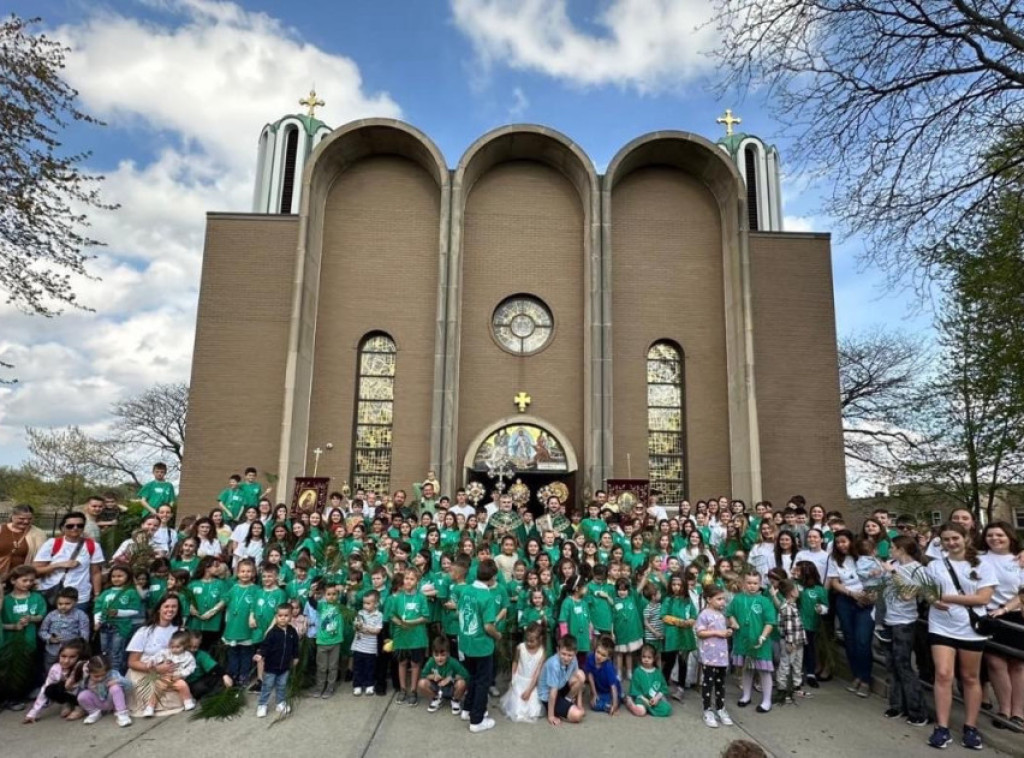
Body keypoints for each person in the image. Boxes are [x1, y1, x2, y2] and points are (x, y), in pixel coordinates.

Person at [925, 521, 996, 750]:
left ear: (965, 538)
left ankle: (970, 726)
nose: (951, 543)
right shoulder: (936, 565)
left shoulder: (983, 564)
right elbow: (926, 590)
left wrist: (948, 597)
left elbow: (983, 598)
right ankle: (942, 727)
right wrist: (934, 600)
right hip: (941, 626)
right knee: (943, 674)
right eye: (946, 539)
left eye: (955, 538)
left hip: (970, 629)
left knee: (969, 677)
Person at [978, 522, 1024, 729]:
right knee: (995, 663)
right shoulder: (978, 558)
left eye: (1000, 534)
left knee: (1017, 664)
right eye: (990, 535)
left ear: (1010, 536)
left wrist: (1006, 608)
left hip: (1014, 614)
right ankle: (1004, 709)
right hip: (989, 616)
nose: (995, 538)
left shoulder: (1019, 559)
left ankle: (1018, 711)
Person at [882, 535, 929, 726]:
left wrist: (893, 573)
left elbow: (908, 595)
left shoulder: (918, 569)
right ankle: (897, 704)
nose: (890, 551)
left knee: (904, 665)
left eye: (892, 547)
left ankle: (918, 710)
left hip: (905, 622)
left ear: (902, 549)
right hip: (888, 620)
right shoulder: (891, 564)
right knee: (891, 664)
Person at [452, 555, 500, 733]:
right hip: (481, 645)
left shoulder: (466, 590)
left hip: (465, 641)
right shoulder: (486, 596)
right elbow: (488, 626)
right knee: (482, 682)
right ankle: (477, 719)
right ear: (492, 578)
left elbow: (459, 612)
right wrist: (498, 635)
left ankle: (467, 709)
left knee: (472, 677)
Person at [826, 529, 874, 698]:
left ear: (851, 541)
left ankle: (866, 679)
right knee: (850, 639)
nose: (841, 545)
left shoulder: (863, 556)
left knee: (863, 640)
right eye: (838, 542)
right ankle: (857, 676)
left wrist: (867, 594)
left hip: (865, 601)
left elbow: (876, 577)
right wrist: (850, 593)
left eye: (844, 541)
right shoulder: (835, 559)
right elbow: (834, 582)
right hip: (845, 600)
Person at [125, 594, 185, 716]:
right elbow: (132, 662)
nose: (170, 610)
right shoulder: (144, 631)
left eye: (174, 606)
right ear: (159, 609)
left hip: (169, 672)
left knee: (177, 695)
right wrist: (157, 669)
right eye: (166, 606)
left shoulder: (179, 631)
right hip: (145, 671)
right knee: (151, 696)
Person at [33, 511, 105, 609]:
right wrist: (58, 565)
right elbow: (36, 570)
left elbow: (95, 572)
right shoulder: (52, 543)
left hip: (79, 596)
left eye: (79, 525)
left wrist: (97, 594)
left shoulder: (92, 545)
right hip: (52, 593)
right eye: (70, 526)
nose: (75, 528)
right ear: (63, 527)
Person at [728, 570, 778, 713]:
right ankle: (746, 695)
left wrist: (763, 636)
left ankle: (766, 700)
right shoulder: (737, 599)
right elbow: (729, 613)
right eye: (749, 583)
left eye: (755, 583)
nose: (752, 586)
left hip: (759, 642)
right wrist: (733, 622)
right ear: (744, 583)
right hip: (742, 640)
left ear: (760, 584)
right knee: (747, 668)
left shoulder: (765, 601)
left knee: (764, 670)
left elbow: (770, 622)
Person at [1, 564, 47, 709]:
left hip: (28, 639)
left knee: (24, 668)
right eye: (24, 580)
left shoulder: (36, 598)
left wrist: (30, 619)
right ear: (13, 580)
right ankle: (5, 698)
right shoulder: (5, 600)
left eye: (31, 581)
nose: (28, 583)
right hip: (7, 641)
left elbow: (41, 616)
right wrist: (14, 627)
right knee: (5, 669)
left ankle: (17, 698)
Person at [388, 567, 430, 705]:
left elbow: (425, 617)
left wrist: (411, 622)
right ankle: (402, 689)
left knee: (415, 664)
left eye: (412, 579)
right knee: (402, 663)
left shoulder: (421, 597)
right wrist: (400, 622)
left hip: (417, 637)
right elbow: (392, 615)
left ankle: (413, 690)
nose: (408, 581)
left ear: (417, 581)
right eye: (406, 578)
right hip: (401, 636)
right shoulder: (398, 597)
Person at [24, 638, 88, 722]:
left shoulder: (85, 667)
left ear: (80, 656)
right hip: (71, 692)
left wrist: (74, 677)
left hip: (85, 693)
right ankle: (68, 703)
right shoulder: (56, 669)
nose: (66, 661)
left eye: (72, 657)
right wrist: (33, 713)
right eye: (63, 656)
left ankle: (80, 708)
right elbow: (45, 689)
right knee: (49, 689)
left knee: (81, 691)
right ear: (59, 655)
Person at [696, 585, 733, 728]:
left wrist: (728, 631)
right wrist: (717, 633)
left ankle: (720, 708)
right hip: (710, 655)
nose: (722, 602)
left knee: (720, 683)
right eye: (719, 599)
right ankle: (707, 709)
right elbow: (700, 632)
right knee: (708, 682)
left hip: (721, 654)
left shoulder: (722, 614)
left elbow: (726, 628)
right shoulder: (704, 614)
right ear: (709, 599)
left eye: (723, 599)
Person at [253, 602, 299, 718]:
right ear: (276, 617)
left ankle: (280, 702)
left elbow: (295, 646)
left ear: (290, 616)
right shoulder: (272, 633)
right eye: (280, 616)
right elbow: (265, 646)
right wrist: (260, 654)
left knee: (282, 685)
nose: (283, 618)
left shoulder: (292, 631)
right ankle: (262, 704)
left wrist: (296, 656)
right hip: (271, 667)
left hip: (285, 666)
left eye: (286, 615)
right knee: (267, 686)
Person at [141, 629, 196, 716]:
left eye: (177, 647)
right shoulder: (166, 652)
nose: (174, 649)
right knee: (158, 687)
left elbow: (191, 667)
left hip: (177, 678)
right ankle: (150, 706)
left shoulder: (188, 656)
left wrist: (182, 674)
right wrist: (152, 661)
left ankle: (187, 701)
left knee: (183, 685)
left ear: (184, 646)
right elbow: (157, 656)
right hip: (165, 676)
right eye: (172, 646)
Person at [538, 634, 586, 726]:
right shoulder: (554, 664)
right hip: (548, 694)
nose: (566, 658)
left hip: (561, 686)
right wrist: (551, 716)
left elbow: (579, 681)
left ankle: (567, 700)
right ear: (558, 650)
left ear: (575, 653)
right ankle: (558, 710)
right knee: (578, 715)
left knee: (581, 675)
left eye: (570, 655)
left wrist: (580, 705)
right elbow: (553, 693)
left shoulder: (574, 659)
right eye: (563, 654)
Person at [501, 621, 546, 721]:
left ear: (540, 639)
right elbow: (515, 662)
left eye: (532, 641)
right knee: (517, 709)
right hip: (519, 680)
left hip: (532, 683)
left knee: (534, 710)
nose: (529, 643)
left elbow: (537, 673)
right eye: (527, 640)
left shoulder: (542, 652)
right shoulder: (520, 647)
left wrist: (529, 690)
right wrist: (513, 677)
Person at [39, 586, 91, 669]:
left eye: (67, 604)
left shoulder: (81, 616)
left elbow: (84, 635)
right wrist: (50, 638)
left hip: (71, 654)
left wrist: (79, 648)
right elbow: (42, 631)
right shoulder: (51, 615)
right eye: (60, 604)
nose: (63, 606)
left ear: (75, 602)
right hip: (52, 652)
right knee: (50, 671)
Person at [775, 579, 807, 703]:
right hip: (791, 642)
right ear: (791, 593)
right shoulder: (787, 607)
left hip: (798, 640)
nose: (798, 591)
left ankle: (796, 687)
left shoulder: (793, 605)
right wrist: (789, 642)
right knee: (785, 664)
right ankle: (782, 690)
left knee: (797, 664)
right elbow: (788, 626)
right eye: (796, 589)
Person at [417, 635, 468, 713]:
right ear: (432, 654)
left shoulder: (453, 662)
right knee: (421, 683)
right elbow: (423, 675)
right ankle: (436, 699)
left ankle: (455, 700)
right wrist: (433, 676)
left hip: (451, 688)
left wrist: (451, 678)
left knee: (462, 683)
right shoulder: (431, 661)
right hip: (437, 687)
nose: (439, 658)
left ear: (448, 654)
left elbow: (465, 675)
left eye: (443, 655)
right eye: (436, 655)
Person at [78, 655, 132, 726]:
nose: (100, 678)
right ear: (89, 672)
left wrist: (117, 681)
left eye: (103, 675)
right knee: (82, 695)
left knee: (115, 688)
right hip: (98, 702)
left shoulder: (112, 674)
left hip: (111, 702)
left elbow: (129, 685)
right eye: (96, 676)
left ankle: (122, 714)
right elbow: (81, 687)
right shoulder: (87, 677)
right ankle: (94, 712)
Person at [314, 583, 346, 698]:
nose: (331, 596)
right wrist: (311, 592)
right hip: (322, 642)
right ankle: (319, 687)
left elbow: (345, 598)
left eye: (334, 594)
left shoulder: (340, 606)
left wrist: (343, 591)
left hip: (335, 641)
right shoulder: (322, 606)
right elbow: (312, 603)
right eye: (328, 594)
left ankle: (330, 687)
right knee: (321, 667)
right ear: (324, 595)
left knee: (333, 667)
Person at [0, 504, 48, 582]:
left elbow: (42, 558)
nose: (26, 521)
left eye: (29, 519)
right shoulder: (1, 529)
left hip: (21, 580)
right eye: (21, 518)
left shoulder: (39, 534)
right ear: (12, 516)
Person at [626, 643, 672, 717]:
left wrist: (656, 698)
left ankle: (648, 708)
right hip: (641, 698)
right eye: (644, 657)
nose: (646, 659)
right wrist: (644, 700)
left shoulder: (658, 673)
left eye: (649, 657)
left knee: (667, 709)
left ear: (654, 658)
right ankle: (630, 703)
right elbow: (635, 690)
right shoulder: (637, 671)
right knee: (641, 712)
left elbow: (663, 688)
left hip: (654, 699)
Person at [584, 634, 622, 715]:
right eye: (598, 652)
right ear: (595, 649)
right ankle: (607, 706)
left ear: (608, 657)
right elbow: (590, 677)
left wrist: (614, 705)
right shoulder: (590, 658)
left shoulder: (609, 667)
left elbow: (613, 687)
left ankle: (618, 700)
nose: (599, 656)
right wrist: (594, 694)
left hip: (611, 691)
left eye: (603, 655)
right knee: (593, 704)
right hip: (600, 690)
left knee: (614, 700)